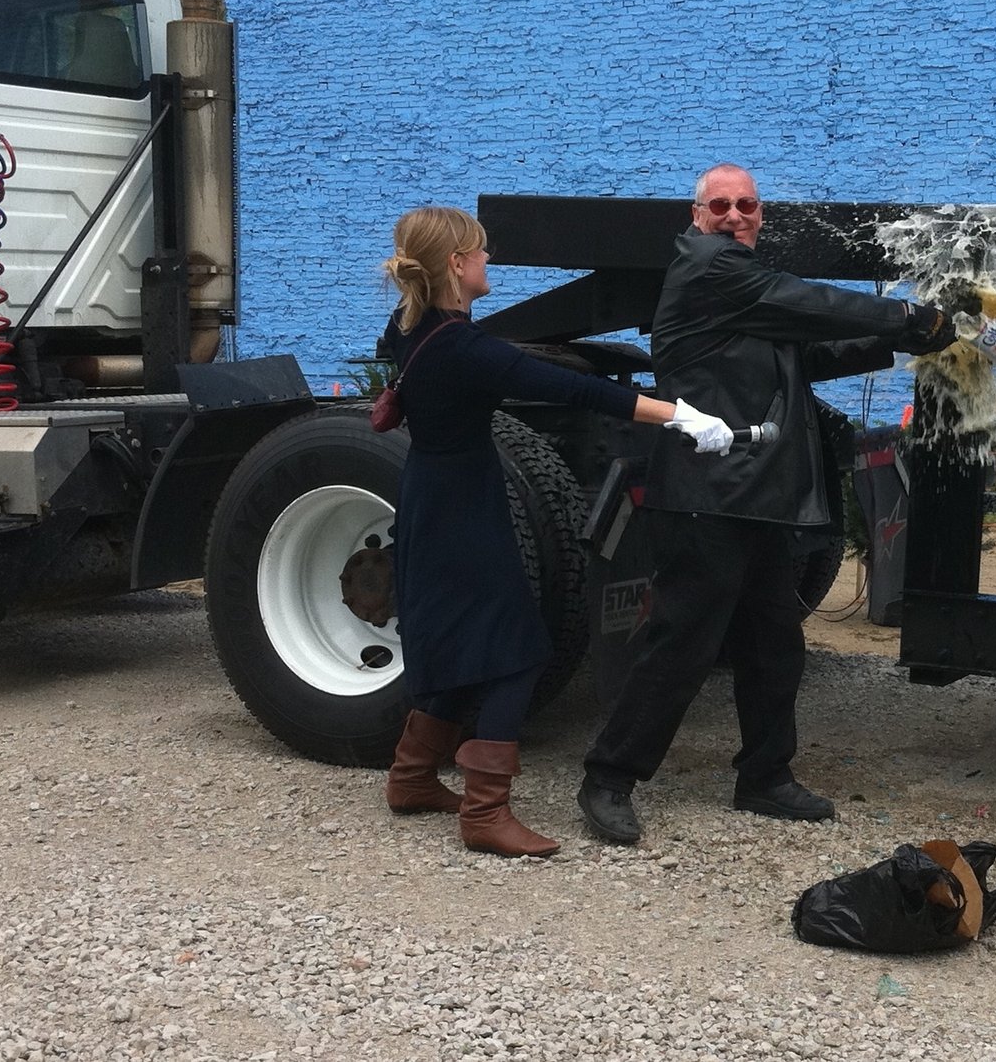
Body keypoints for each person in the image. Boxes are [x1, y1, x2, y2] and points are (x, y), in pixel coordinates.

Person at [576, 164, 959, 844]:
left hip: (755, 497)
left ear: (760, 214)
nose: (733, 215)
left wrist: (902, 340)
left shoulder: (743, 297)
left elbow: (803, 358)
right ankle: (608, 777)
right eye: (718, 205)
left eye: (745, 204)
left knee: (774, 645)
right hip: (706, 495)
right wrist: (905, 315)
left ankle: (765, 777)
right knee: (681, 644)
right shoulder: (710, 268)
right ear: (696, 217)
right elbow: (813, 303)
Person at [379, 205, 734, 858]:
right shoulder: (467, 348)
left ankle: (411, 775)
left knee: (466, 636)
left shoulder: (412, 329)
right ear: (457, 264)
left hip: (432, 495)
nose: (490, 262)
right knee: (516, 649)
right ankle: (485, 811)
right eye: (481, 252)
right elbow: (585, 394)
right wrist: (680, 414)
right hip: (464, 509)